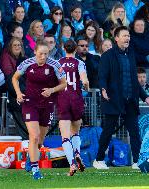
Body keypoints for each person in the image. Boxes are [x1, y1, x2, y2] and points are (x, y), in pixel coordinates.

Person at [93, 26, 149, 170]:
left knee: (134, 132)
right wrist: (103, 89)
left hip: (130, 100)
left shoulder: (131, 55)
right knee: (108, 131)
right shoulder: (107, 56)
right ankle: (99, 159)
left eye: (128, 36)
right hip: (113, 100)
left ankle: (137, 161)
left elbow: (134, 80)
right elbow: (102, 77)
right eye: (124, 36)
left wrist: (145, 97)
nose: (127, 38)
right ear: (116, 38)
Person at [12, 40, 67, 180]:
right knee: (34, 136)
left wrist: (52, 90)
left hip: (48, 103)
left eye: (46, 54)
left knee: (41, 139)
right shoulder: (27, 63)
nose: (43, 56)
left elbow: (64, 84)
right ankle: (36, 170)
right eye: (41, 53)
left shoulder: (55, 64)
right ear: (35, 52)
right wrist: (18, 93)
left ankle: (31, 158)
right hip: (30, 102)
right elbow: (15, 78)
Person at [58, 39, 89, 176]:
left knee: (65, 136)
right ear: (75, 50)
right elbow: (85, 81)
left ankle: (71, 164)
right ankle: (77, 153)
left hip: (63, 99)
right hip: (77, 99)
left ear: (64, 49)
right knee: (75, 132)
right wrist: (86, 87)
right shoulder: (80, 63)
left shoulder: (58, 63)